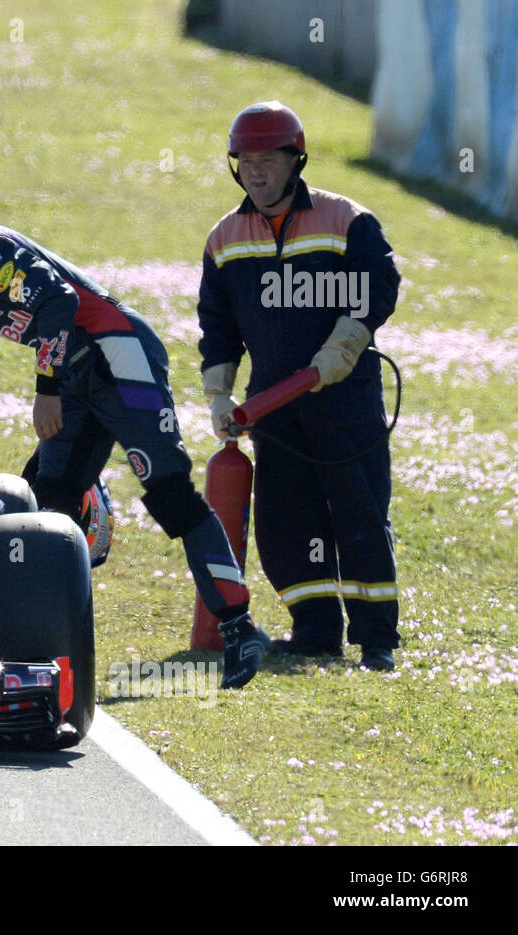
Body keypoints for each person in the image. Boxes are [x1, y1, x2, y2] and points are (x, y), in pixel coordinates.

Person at [0, 205, 271, 689]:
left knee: (172, 495)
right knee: (50, 504)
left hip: (117, 354)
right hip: (77, 375)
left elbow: (58, 301)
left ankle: (239, 627)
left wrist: (46, 389)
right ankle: (40, 644)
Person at [196, 101, 400, 671]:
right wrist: (219, 393)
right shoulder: (224, 238)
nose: (256, 172)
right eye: (246, 161)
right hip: (273, 408)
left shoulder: (348, 220)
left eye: (268, 160)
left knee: (358, 512)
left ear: (296, 160)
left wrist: (342, 347)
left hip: (345, 399)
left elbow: (376, 287)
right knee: (287, 519)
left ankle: (376, 640)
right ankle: (314, 632)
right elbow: (218, 325)